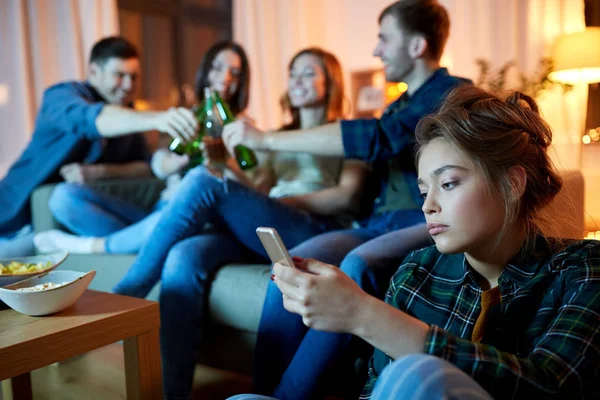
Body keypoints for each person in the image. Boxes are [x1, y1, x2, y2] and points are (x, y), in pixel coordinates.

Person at [230, 85, 600, 400]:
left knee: (423, 375)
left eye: (449, 183)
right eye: (423, 190)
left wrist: (363, 314)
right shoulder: (415, 273)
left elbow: (553, 387)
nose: (428, 204)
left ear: (512, 184)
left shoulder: (582, 270)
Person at [113, 47, 370, 400]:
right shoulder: (277, 135)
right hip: (268, 225)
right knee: (184, 254)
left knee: (202, 184)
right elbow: (258, 189)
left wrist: (275, 204)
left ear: (332, 81)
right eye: (293, 72)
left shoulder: (347, 134)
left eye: (309, 73)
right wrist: (228, 170)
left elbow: (347, 197)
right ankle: (174, 394)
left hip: (314, 227)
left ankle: (125, 296)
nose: (297, 79)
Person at [245, 1, 471, 398]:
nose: (376, 50)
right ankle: (261, 393)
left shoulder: (455, 94)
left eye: (384, 38)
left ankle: (286, 395)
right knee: (292, 262)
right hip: (374, 222)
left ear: (417, 46)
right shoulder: (397, 104)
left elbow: (380, 139)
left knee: (358, 264)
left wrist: (264, 139)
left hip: (419, 219)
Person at [33, 41, 251, 254]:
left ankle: (93, 246)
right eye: (217, 67)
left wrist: (226, 163)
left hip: (191, 214)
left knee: (176, 219)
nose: (225, 77)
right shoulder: (182, 117)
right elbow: (156, 165)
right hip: (160, 208)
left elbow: (257, 189)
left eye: (235, 72)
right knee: (63, 197)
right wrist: (175, 163)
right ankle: (138, 244)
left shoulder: (246, 128)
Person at [0, 36, 197, 258]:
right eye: (119, 75)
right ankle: (144, 245)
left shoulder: (126, 116)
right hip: (12, 223)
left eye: (134, 77)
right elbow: (94, 120)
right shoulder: (61, 96)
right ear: (94, 72)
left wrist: (98, 172)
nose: (129, 85)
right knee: (62, 198)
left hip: (62, 224)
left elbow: (146, 166)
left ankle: (141, 244)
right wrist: (157, 119)